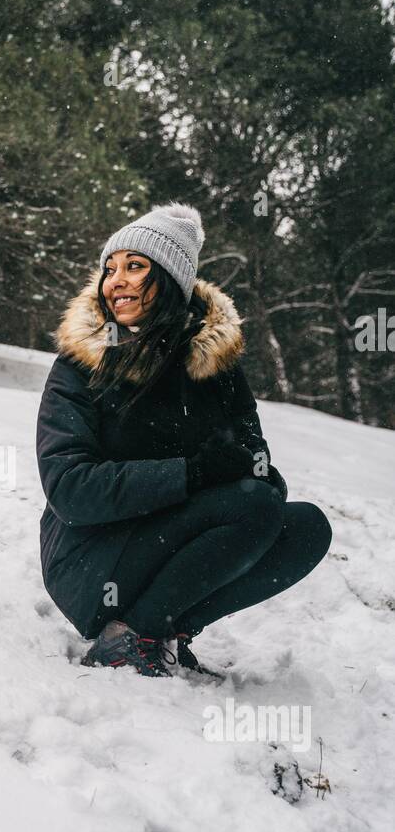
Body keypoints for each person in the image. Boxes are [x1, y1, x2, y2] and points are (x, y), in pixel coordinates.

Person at [36, 203, 332, 678]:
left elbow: (252, 454)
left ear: (173, 280)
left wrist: (258, 475)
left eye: (135, 267)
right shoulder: (81, 366)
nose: (116, 280)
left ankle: (162, 628)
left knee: (304, 526)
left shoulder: (214, 366)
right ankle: (130, 638)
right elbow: (70, 490)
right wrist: (192, 474)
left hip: (172, 546)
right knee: (251, 507)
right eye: (109, 269)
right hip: (91, 560)